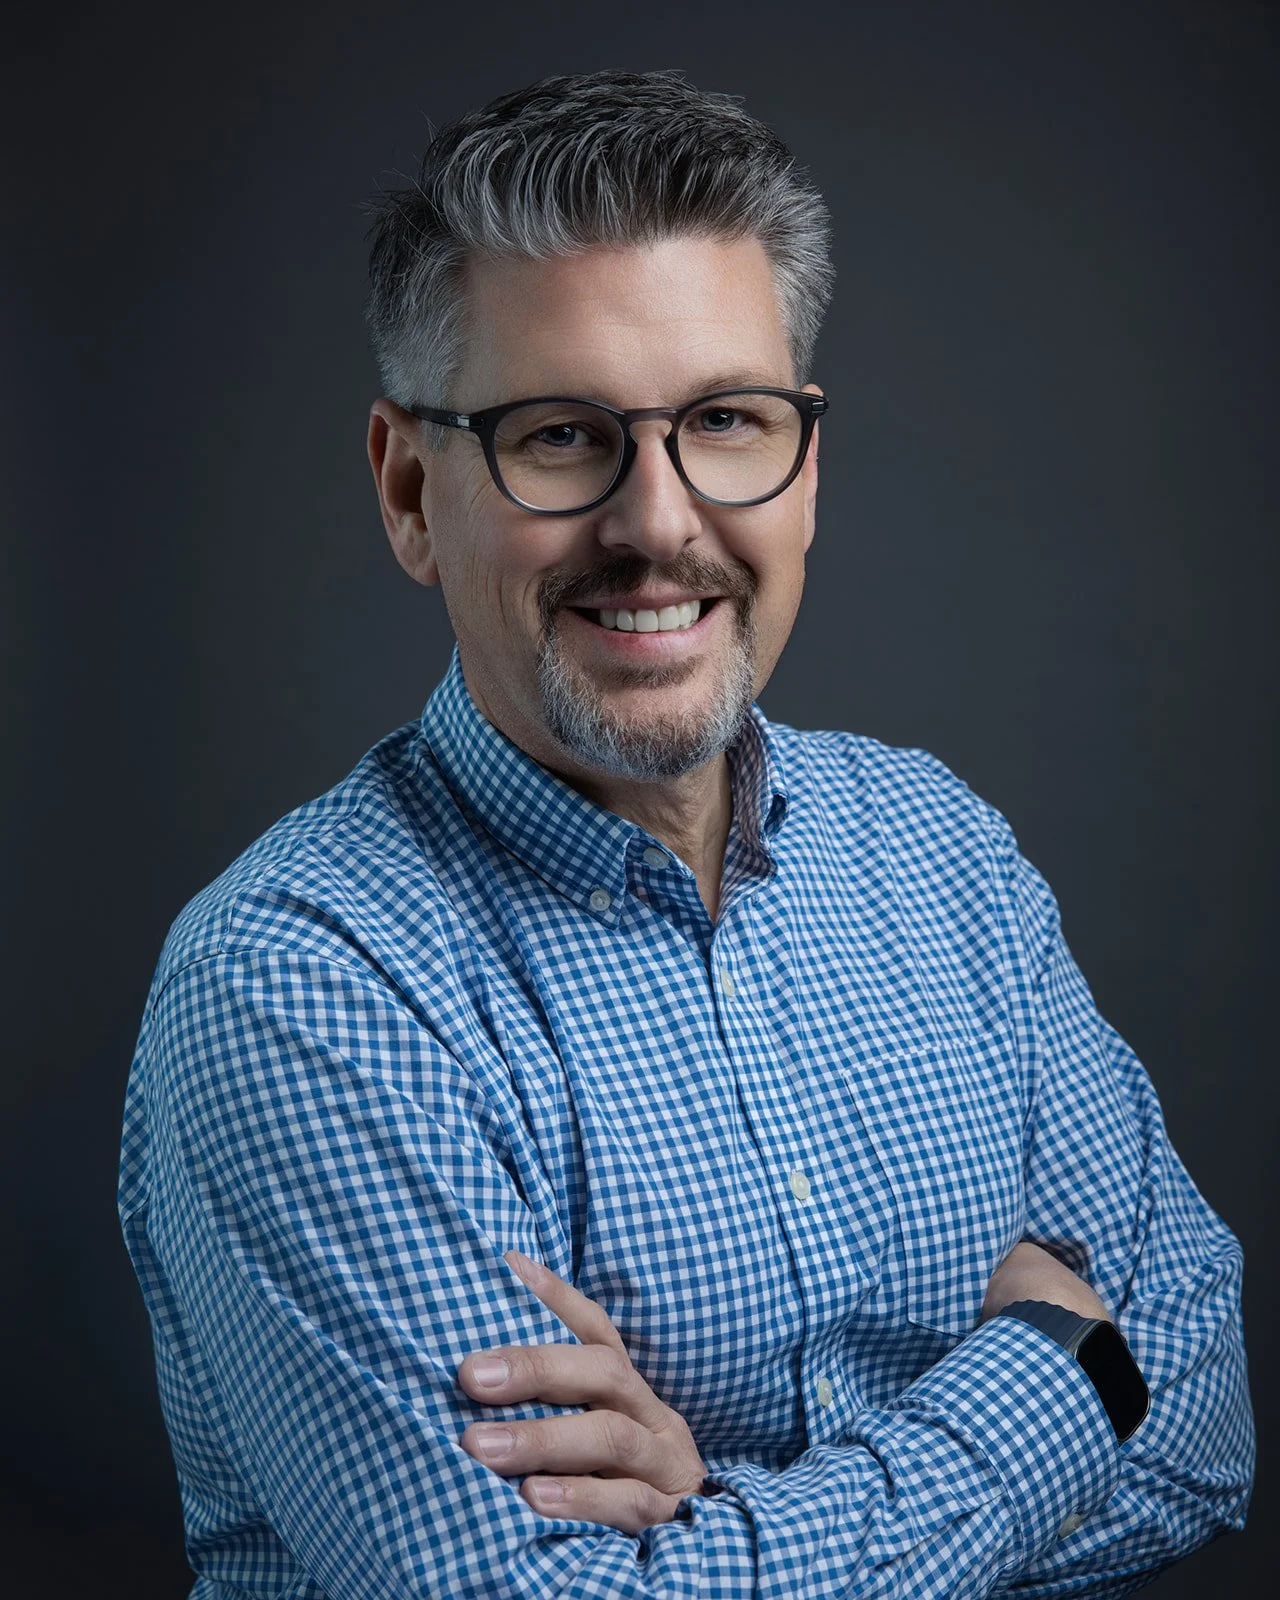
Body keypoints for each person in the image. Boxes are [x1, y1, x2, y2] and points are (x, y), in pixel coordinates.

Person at [118, 69, 1253, 1599]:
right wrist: (1057, 1379)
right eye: (560, 435)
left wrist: (712, 1517)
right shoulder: (300, 986)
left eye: (725, 421)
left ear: (806, 466)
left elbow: (1203, 1432)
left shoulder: (944, 857)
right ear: (408, 489)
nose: (658, 523)